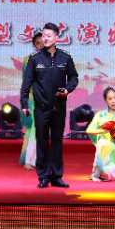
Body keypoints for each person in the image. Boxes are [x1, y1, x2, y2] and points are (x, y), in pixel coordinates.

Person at [20, 22, 79, 188]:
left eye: (48, 36)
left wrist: (67, 90)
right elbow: (26, 83)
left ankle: (57, 176)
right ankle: (43, 176)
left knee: (57, 142)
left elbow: (74, 78)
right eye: (43, 35)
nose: (45, 39)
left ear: (56, 38)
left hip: (59, 107)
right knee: (42, 142)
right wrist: (24, 103)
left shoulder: (65, 58)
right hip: (41, 108)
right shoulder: (34, 59)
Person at [19, 32, 44, 170]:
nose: (41, 45)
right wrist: (25, 103)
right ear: (34, 45)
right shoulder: (29, 59)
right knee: (34, 129)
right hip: (33, 99)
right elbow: (26, 82)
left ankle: (36, 159)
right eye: (38, 43)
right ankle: (29, 160)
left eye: (43, 42)